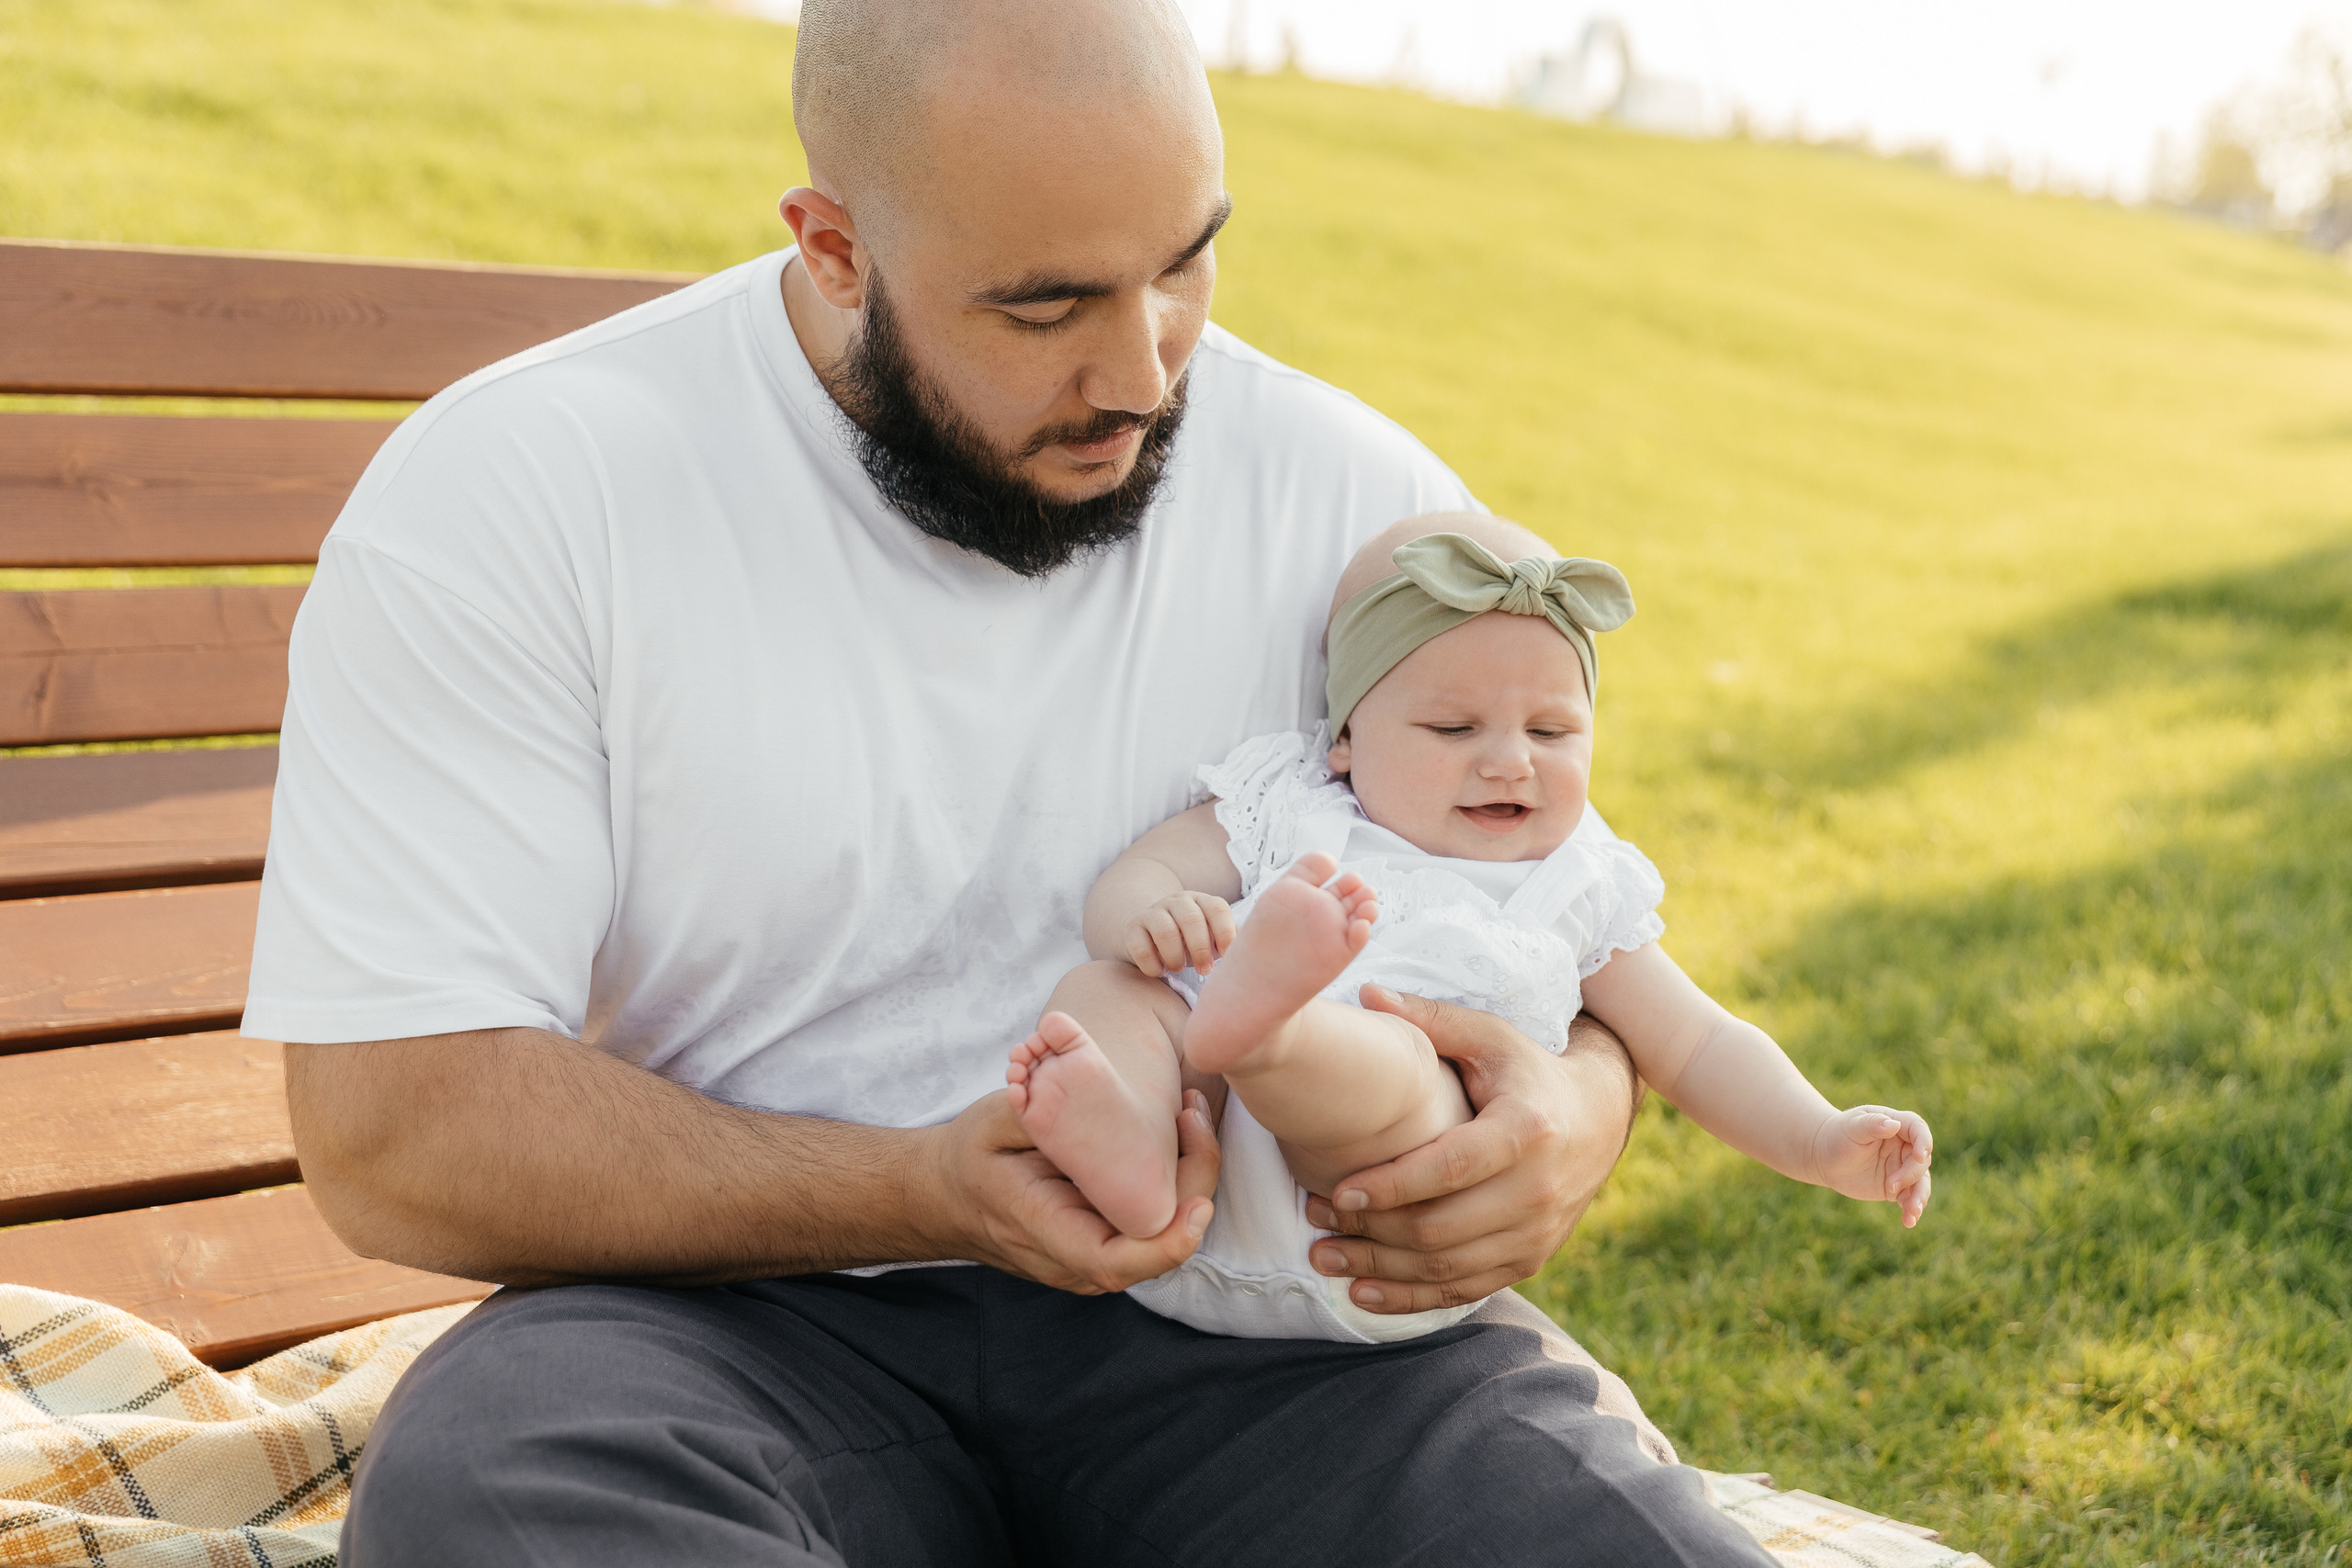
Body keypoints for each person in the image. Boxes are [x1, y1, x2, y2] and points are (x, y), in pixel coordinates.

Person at [249, 0, 1785, 1561]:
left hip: (1262, 1348)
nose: (1140, 372)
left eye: (1183, 263)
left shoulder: (1364, 514)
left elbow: (1559, 914)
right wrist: (922, 1187)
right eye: (1045, 306)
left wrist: (1578, 1110)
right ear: (835, 250)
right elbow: (398, 1129)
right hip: (729, 1331)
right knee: (497, 1488)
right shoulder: (530, 486)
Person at [1007, 517, 1934, 1345]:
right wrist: (1151, 918)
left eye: (1553, 731)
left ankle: (1275, 1030)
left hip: (1373, 1235)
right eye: (1452, 728)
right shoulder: (1292, 803)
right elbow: (1140, 876)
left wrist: (1819, 1137)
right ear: (1345, 740)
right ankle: (1128, 1158)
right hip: (1184, 1224)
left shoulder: (1576, 880)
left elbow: (1695, 1042)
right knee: (1110, 994)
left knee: (1404, 1069)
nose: (1507, 762)